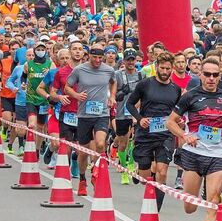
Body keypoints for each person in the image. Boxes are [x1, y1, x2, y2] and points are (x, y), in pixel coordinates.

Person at [166, 57, 222, 221]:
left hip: (218, 155)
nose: (211, 78)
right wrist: (185, 136)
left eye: (216, 75)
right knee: (190, 206)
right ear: (200, 75)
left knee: (214, 202)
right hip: (193, 154)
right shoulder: (190, 97)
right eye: (207, 74)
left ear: (220, 75)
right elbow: (170, 122)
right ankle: (194, 204)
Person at [125, 52, 181, 206]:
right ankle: (140, 171)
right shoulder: (145, 84)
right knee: (145, 178)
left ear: (172, 69)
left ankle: (155, 212)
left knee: (162, 172)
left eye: (167, 69)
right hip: (146, 133)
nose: (164, 72)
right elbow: (129, 104)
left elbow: (177, 111)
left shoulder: (175, 89)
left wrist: (178, 121)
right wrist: (140, 119)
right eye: (162, 68)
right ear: (156, 67)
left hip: (165, 134)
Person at [64, 42, 116, 196]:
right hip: (84, 114)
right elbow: (67, 87)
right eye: (95, 57)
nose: (98, 61)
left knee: (100, 143)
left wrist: (112, 96)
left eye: (100, 58)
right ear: (89, 56)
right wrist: (76, 95)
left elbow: (114, 82)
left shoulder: (109, 70)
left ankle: (95, 170)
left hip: (102, 113)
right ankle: (82, 179)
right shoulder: (80, 70)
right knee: (83, 151)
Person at [51, 40, 85, 177]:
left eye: (80, 49)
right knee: (66, 146)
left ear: (83, 52)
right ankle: (65, 174)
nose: (77, 51)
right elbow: (52, 92)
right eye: (75, 49)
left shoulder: (88, 70)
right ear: (70, 51)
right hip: (66, 114)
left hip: (84, 114)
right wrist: (59, 97)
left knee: (81, 150)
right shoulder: (61, 72)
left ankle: (79, 170)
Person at [114, 48, 143, 184]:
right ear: (124, 61)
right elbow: (111, 94)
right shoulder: (117, 75)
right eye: (128, 60)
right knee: (123, 142)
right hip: (121, 113)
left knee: (135, 141)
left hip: (136, 113)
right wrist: (119, 93)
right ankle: (124, 169)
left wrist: (135, 110)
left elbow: (144, 96)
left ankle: (131, 165)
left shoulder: (141, 76)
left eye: (133, 59)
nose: (131, 62)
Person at [23, 40, 53, 154]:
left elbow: (54, 80)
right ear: (34, 51)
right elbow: (23, 76)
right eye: (38, 50)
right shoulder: (28, 64)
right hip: (31, 97)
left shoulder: (50, 64)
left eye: (42, 50)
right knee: (32, 124)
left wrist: (49, 74)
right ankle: (29, 148)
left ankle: (37, 149)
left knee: (40, 127)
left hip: (44, 99)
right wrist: (23, 83)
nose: (40, 52)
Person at [7, 47, 32, 156]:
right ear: (25, 57)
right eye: (29, 55)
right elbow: (9, 81)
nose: (31, 57)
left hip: (35, 102)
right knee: (21, 128)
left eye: (33, 55)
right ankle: (21, 146)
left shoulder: (41, 70)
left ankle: (31, 148)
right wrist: (13, 88)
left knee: (32, 126)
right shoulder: (18, 69)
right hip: (21, 101)